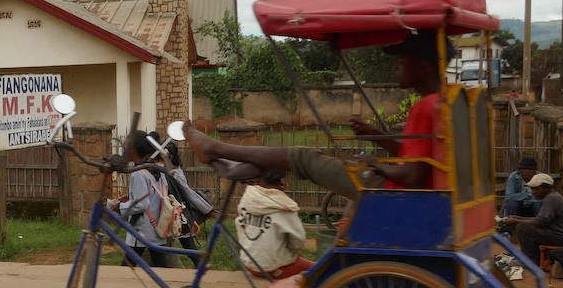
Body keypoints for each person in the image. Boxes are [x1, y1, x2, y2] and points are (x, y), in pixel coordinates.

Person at [180, 31, 447, 197]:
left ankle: (214, 148)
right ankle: (228, 159)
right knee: (311, 159)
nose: (397, 67)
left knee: (304, 156)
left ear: (423, 67)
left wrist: (374, 163)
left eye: (403, 62)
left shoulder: (425, 106)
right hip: (417, 193)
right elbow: (419, 158)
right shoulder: (445, 103)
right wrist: (376, 135)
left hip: (393, 192)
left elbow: (411, 176)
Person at [116, 132, 178, 267]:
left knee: (126, 268)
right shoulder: (157, 171)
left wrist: (119, 207)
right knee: (160, 266)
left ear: (133, 149)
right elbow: (157, 195)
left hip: (141, 231)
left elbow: (142, 204)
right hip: (157, 228)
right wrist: (131, 197)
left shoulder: (138, 173)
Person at [236, 171, 312, 281]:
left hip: (250, 264)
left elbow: (240, 225)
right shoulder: (285, 207)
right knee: (320, 270)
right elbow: (298, 241)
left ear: (257, 181)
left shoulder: (247, 198)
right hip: (273, 269)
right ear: (282, 183)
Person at [503, 173, 563, 259]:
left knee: (523, 228)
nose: (534, 192)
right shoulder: (551, 197)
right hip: (557, 234)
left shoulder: (551, 199)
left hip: (561, 238)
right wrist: (518, 218)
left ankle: (531, 259)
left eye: (537, 189)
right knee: (523, 225)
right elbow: (540, 219)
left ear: (548, 188)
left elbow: (540, 222)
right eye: (532, 189)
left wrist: (517, 221)